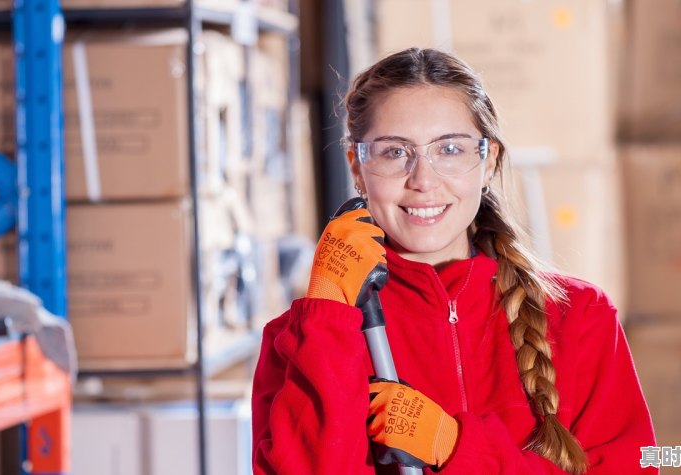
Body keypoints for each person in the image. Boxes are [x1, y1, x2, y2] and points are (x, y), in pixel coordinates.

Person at [251, 48, 657, 474]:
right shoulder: (301, 341)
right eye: (394, 152)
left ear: (488, 162)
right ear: (357, 166)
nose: (423, 181)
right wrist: (329, 314)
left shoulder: (580, 316)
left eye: (449, 149)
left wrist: (457, 448)